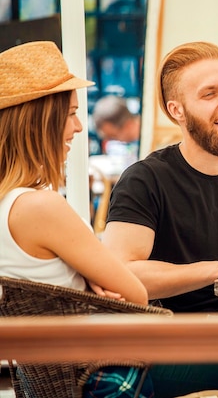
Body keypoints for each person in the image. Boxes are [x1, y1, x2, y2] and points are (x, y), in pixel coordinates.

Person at [101, 41, 218, 397]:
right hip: (172, 343)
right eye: (209, 94)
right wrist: (214, 270)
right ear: (177, 111)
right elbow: (120, 273)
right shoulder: (145, 179)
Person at [0, 41, 152, 397]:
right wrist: (89, 283)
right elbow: (136, 296)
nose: (80, 127)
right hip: (102, 374)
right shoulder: (41, 207)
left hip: (62, 378)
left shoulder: (9, 202)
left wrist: (87, 277)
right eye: (70, 114)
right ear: (40, 121)